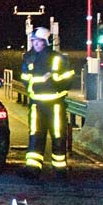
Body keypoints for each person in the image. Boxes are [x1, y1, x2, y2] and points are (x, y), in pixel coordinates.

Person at [19, 27, 75, 180]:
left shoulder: (58, 59)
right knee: (35, 135)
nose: (35, 44)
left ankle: (60, 169)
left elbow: (68, 79)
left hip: (55, 105)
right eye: (34, 41)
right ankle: (33, 168)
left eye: (39, 41)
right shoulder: (28, 58)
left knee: (58, 135)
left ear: (46, 42)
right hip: (36, 104)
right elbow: (25, 79)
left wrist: (52, 79)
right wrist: (43, 79)